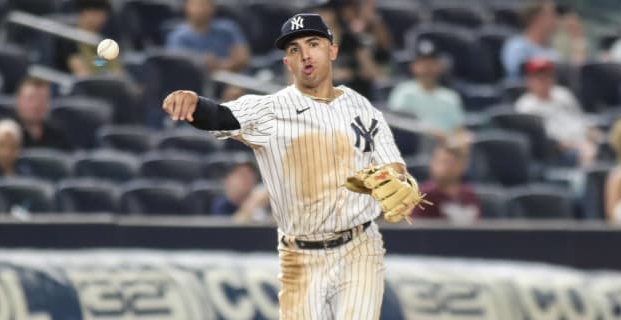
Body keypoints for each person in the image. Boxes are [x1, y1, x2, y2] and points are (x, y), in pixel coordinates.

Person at [161, 13, 428, 319]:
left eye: (313, 43)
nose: (304, 55)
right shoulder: (270, 109)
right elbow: (221, 116)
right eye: (293, 49)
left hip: (360, 247)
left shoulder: (362, 107)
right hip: (300, 255)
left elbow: (394, 166)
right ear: (287, 63)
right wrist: (193, 102)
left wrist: (399, 182)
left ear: (333, 50)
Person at [515, 58, 598, 167]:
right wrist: (580, 146)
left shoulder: (563, 94)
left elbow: (581, 119)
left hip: (584, 141)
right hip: (559, 153)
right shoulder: (525, 106)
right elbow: (546, 142)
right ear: (529, 81)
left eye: (547, 76)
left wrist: (596, 136)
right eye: (539, 77)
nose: (544, 81)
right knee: (589, 153)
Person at [387, 39, 466, 142]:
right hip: (413, 148)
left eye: (432, 63)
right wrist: (427, 132)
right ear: (414, 66)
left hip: (445, 150)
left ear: (439, 66)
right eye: (423, 63)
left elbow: (459, 132)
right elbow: (396, 125)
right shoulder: (403, 92)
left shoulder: (451, 97)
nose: (428, 67)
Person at [310, 0, 385, 98]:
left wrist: (353, 74)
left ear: (334, 13)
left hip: (354, 99)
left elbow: (375, 74)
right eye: (315, 12)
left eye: (323, 11)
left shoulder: (351, 41)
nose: (318, 15)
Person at [165, 0, 250, 73]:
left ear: (213, 7)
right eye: (197, 4)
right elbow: (179, 69)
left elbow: (243, 58)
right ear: (187, 7)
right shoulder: (178, 37)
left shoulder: (228, 28)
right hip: (197, 84)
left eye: (206, 4)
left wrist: (219, 66)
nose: (201, 9)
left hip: (232, 79)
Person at [55, 0, 123, 76]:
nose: (100, 17)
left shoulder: (105, 40)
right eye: (95, 13)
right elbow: (81, 73)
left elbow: (118, 71)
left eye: (103, 13)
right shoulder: (69, 37)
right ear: (82, 13)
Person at [413, 145, 479, 223]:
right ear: (432, 164)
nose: (445, 168)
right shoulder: (423, 196)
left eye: (451, 163)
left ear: (462, 166)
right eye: (442, 162)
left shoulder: (469, 194)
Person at [501, 0, 559, 80]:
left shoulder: (552, 52)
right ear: (537, 18)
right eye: (550, 15)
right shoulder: (516, 46)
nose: (554, 20)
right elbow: (517, 75)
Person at [15, 77, 73, 151]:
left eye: (42, 99)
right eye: (30, 99)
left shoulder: (57, 135)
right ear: (19, 101)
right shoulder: (5, 134)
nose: (36, 105)